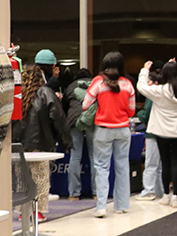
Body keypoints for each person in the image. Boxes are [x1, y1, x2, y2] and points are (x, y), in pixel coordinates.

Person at [13, 64, 73, 220]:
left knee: (22, 179)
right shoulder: (46, 93)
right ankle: (37, 211)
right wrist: (67, 140)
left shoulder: (17, 95)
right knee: (40, 178)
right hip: (41, 143)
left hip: (19, 144)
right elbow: (58, 118)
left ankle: (23, 211)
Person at [84, 51, 135, 218]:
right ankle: (122, 205)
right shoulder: (127, 84)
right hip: (123, 129)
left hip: (103, 129)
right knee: (122, 166)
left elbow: (85, 105)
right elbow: (131, 111)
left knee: (101, 168)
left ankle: (101, 207)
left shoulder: (98, 82)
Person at [137, 58, 177, 208]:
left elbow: (141, 87)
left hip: (162, 132)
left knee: (165, 163)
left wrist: (145, 70)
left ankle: (166, 195)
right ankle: (175, 197)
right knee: (176, 163)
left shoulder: (159, 91)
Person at [63, 68, 96, 201]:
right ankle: (97, 193)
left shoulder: (71, 86)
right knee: (94, 157)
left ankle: (74, 193)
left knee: (75, 157)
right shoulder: (95, 84)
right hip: (90, 120)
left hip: (74, 120)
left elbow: (64, 106)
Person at [135, 63, 165, 202]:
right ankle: (159, 190)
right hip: (165, 132)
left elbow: (146, 115)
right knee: (160, 165)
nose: (147, 85)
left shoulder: (152, 95)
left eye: (149, 82)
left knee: (151, 164)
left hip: (153, 132)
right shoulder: (167, 92)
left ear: (155, 83)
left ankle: (148, 191)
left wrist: (139, 114)